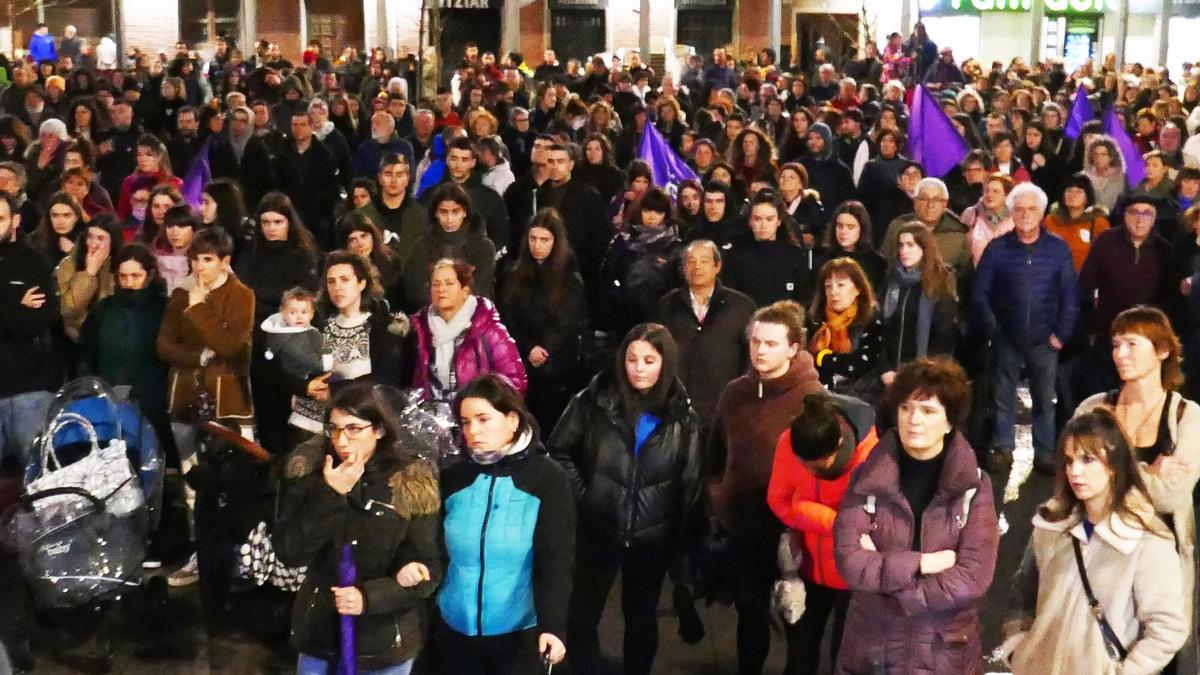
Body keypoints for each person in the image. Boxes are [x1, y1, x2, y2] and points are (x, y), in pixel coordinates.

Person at [549, 323, 700, 675]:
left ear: (665, 363)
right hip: (597, 529)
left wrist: (680, 542)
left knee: (641, 618)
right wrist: (587, 497)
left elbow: (689, 481)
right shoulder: (593, 401)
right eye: (632, 359)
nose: (639, 368)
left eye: (649, 360)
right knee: (581, 615)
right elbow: (558, 450)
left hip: (651, 538)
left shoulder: (682, 416)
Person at [833, 357, 999, 675]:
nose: (914, 420)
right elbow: (849, 561)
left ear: (949, 422)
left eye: (928, 411)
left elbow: (973, 577)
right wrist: (923, 563)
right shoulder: (867, 479)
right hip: (873, 648)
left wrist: (899, 589)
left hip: (942, 654)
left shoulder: (974, 487)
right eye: (906, 408)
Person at [274, 382, 442, 675]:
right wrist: (329, 494)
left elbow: (430, 571)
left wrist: (371, 597)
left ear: (379, 430)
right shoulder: (310, 472)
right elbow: (290, 552)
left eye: (353, 429)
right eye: (335, 429)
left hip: (385, 640)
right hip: (319, 631)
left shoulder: (410, 482)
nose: (342, 440)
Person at [1002, 410, 1188, 674]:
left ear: (1113, 466)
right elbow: (1023, 592)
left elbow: (1168, 628)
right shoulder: (1051, 525)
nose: (1074, 471)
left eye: (1087, 460)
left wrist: (1125, 672)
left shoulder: (1146, 541)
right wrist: (1019, 650)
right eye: (1069, 461)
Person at [1074, 306, 1200, 673]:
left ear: (1162, 350)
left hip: (1158, 563)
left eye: (1131, 344)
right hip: (1098, 555)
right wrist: (1149, 470)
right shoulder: (1094, 409)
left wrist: (1107, 468)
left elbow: (1171, 496)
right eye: (1116, 344)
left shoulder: (1186, 416)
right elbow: (1074, 481)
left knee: (1155, 652)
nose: (1120, 354)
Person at [705, 300, 825, 675]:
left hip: (792, 532)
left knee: (798, 624)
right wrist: (717, 495)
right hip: (743, 529)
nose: (759, 350)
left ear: (793, 348)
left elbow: (823, 468)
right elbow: (714, 453)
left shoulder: (812, 399)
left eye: (771, 343)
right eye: (756, 341)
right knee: (750, 617)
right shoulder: (734, 393)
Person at [436, 374, 574, 673]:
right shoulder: (453, 477)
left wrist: (553, 626)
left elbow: (556, 560)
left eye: (484, 419)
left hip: (517, 635)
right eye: (465, 422)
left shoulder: (547, 478)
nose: (473, 431)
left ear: (512, 419)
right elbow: (436, 552)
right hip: (454, 630)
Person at [155, 227, 254, 586]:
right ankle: (201, 554)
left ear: (225, 261)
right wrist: (199, 355)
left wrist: (199, 309)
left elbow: (230, 344)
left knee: (234, 483)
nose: (199, 266)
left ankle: (239, 557)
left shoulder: (242, 295)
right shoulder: (181, 293)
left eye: (207, 260)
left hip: (229, 402)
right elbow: (164, 345)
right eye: (195, 259)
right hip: (184, 397)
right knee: (192, 483)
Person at [767, 393, 878, 675]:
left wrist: (804, 510)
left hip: (852, 573)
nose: (809, 471)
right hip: (806, 565)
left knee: (844, 659)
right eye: (803, 463)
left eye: (818, 465)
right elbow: (777, 501)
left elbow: (867, 523)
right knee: (799, 657)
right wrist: (834, 522)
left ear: (839, 442)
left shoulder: (870, 454)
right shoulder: (789, 442)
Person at [973, 182, 1078, 474]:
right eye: (1019, 209)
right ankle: (1002, 448)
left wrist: (1062, 334)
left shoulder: (1058, 249)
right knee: (1002, 397)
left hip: (1046, 339)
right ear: (1011, 212)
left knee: (1046, 400)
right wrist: (994, 330)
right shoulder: (997, 248)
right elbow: (980, 293)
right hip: (1006, 337)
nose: (1025, 214)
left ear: (1042, 213)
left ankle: (1045, 453)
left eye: (1031, 209)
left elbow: (1070, 295)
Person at [654, 239, 756, 445]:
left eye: (704, 261)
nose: (697, 267)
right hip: (676, 410)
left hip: (723, 408)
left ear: (717, 266)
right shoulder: (666, 306)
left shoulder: (741, 306)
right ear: (683, 268)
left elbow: (750, 357)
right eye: (691, 261)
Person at [497, 208, 587, 435]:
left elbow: (569, 322)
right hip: (520, 361)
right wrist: (528, 347)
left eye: (544, 240)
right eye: (533, 238)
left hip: (556, 366)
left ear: (556, 242)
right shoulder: (514, 275)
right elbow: (507, 316)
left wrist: (543, 349)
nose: (537, 245)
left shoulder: (569, 279)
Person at [76, 241, 169, 460]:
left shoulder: (164, 308)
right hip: (107, 399)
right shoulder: (103, 309)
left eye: (136, 276)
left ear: (150, 275)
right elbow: (86, 352)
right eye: (123, 276)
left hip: (153, 401)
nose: (129, 282)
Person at [1079, 192, 1173, 397]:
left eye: (1146, 214)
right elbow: (1086, 283)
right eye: (1134, 212)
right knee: (1103, 395)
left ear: (1154, 219)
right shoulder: (1106, 242)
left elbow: (1168, 296)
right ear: (1124, 215)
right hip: (1107, 334)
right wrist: (1089, 324)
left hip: (1144, 339)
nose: (1140, 219)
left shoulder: (1163, 250)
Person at [0, 193, 61, 466]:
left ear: (15, 220)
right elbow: (19, 319)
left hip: (30, 390)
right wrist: (15, 304)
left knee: (37, 473)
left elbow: (37, 321)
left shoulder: (35, 263)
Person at [411, 259, 526, 402]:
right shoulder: (423, 330)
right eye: (436, 284)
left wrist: (481, 407)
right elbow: (419, 384)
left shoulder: (489, 331)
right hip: (433, 412)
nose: (441, 289)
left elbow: (515, 383)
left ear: (465, 291)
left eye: (449, 283)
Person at [879, 223, 959, 392]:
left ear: (924, 247)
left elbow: (944, 337)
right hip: (891, 373)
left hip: (926, 375)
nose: (904, 251)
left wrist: (924, 374)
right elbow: (883, 330)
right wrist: (885, 368)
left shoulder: (940, 282)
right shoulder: (891, 281)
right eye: (901, 245)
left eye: (910, 245)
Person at [598, 187, 682, 335]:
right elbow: (608, 275)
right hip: (625, 315)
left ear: (666, 215)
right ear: (640, 211)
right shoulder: (623, 240)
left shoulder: (674, 246)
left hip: (661, 317)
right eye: (647, 210)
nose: (652, 216)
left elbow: (677, 283)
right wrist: (618, 298)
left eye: (658, 212)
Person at [404, 183, 497, 312]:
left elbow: (481, 289)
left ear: (464, 212)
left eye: (455, 211)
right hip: (429, 316)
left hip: (471, 317)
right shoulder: (421, 246)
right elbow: (415, 290)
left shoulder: (483, 247)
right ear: (436, 213)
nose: (449, 219)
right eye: (443, 212)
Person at [807, 258, 885, 401]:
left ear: (858, 289)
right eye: (828, 286)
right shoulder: (815, 320)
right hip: (821, 396)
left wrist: (822, 357)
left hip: (862, 396)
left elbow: (858, 365)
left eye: (840, 285)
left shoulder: (872, 319)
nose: (833, 292)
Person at [721, 190, 815, 307]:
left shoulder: (794, 256)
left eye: (769, 219)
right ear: (750, 221)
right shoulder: (735, 254)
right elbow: (729, 297)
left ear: (778, 221)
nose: (763, 225)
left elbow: (804, 298)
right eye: (757, 219)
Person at [56, 213, 122, 343]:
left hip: (112, 338)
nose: (93, 244)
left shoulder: (122, 266)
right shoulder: (68, 264)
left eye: (100, 238)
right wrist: (89, 273)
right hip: (75, 337)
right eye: (90, 237)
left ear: (113, 242)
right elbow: (69, 311)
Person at [355, 153, 429, 267]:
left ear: (408, 178)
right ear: (380, 178)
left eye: (399, 175)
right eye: (388, 174)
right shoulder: (361, 216)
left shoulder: (422, 216)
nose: (393, 180)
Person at [1042, 172, 1111, 272]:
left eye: (1079, 192)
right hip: (1054, 275)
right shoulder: (1050, 220)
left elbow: (1106, 255)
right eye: (1069, 191)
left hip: (1085, 277)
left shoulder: (1099, 223)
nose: (1073, 195)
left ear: (1087, 197)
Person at [817, 201, 886, 293]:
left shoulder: (877, 263)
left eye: (850, 227)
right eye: (840, 226)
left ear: (862, 229)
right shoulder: (823, 261)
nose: (843, 232)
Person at [961, 172, 1015, 266]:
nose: (989, 195)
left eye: (995, 191)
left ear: (1006, 195)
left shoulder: (1015, 219)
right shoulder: (971, 214)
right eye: (987, 191)